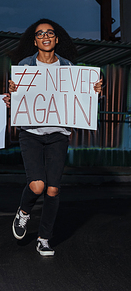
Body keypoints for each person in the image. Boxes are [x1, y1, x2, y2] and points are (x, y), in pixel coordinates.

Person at [9, 19, 103, 257]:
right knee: (37, 185)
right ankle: (24, 212)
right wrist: (12, 96)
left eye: (50, 33)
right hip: (31, 133)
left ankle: (44, 238)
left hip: (58, 134)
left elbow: (82, 99)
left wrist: (95, 94)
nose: (45, 36)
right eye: (40, 34)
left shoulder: (70, 68)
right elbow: (18, 99)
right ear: (35, 41)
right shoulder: (25, 66)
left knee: (52, 189)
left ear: (57, 39)